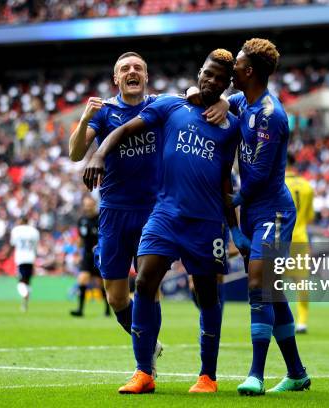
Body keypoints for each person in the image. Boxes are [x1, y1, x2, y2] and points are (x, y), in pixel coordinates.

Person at [83, 49, 250, 395]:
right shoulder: (171, 105)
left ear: (227, 83)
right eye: (207, 73)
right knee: (144, 282)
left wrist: (234, 228)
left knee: (206, 295)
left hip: (206, 221)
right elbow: (125, 129)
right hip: (164, 215)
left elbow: (224, 180)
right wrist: (98, 154)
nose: (210, 81)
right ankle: (144, 372)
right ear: (199, 73)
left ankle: (208, 376)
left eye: (219, 78)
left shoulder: (232, 125)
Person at [226, 38, 311, 395]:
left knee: (259, 284)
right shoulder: (240, 101)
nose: (232, 69)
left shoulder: (270, 115)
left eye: (237, 65)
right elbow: (209, 98)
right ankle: (296, 373)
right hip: (253, 214)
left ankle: (255, 375)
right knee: (273, 294)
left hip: (274, 211)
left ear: (249, 72)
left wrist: (231, 203)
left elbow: (258, 175)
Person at [284, 153, 314, 334]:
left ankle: (275, 320)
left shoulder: (278, 183)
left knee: (272, 283)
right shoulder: (307, 186)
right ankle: (302, 321)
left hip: (281, 238)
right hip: (301, 237)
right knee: (301, 282)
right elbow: (310, 216)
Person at [70, 195, 111, 317]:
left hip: (100, 256)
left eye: (90, 205)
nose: (87, 207)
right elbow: (80, 239)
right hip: (87, 256)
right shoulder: (82, 220)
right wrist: (76, 252)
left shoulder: (101, 218)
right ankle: (80, 310)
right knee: (82, 279)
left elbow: (107, 236)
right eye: (86, 205)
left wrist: (100, 247)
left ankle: (107, 311)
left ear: (94, 205)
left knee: (101, 284)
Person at [10, 215, 40, 312]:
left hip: (21, 258)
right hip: (31, 258)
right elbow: (35, 246)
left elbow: (13, 243)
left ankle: (25, 295)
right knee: (27, 281)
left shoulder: (16, 230)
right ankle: (24, 305)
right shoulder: (34, 231)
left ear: (21, 221)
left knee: (21, 282)